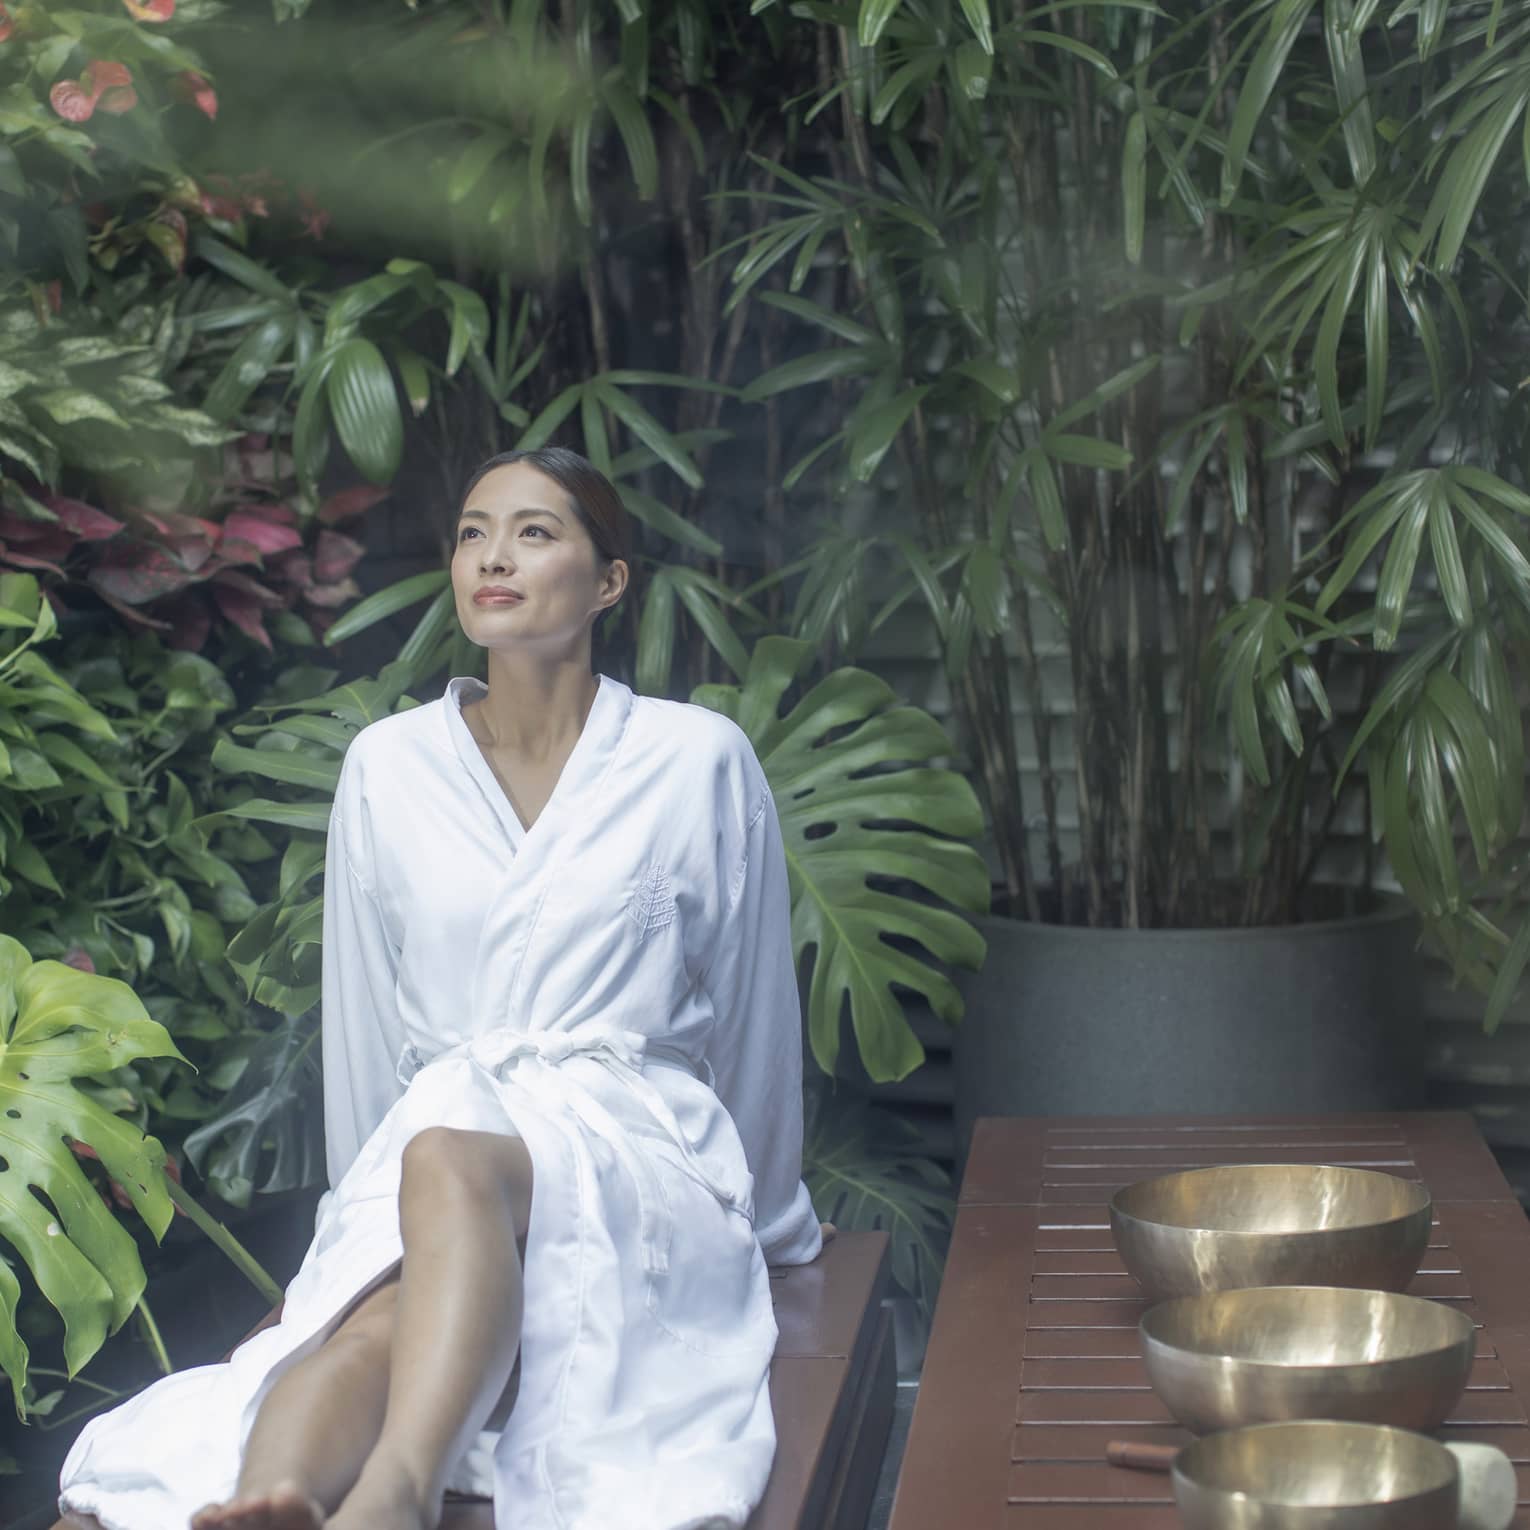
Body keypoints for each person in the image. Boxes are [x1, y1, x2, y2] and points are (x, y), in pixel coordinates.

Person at [55, 447, 823, 1530]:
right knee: (371, 1318)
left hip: (631, 1146)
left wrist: (772, 1225)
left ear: (609, 581)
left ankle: (398, 1496)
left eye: (535, 531)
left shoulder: (697, 760)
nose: (493, 556)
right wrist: (354, 1228)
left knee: (450, 1156)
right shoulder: (389, 765)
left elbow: (752, 1021)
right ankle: (263, 1501)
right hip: (434, 1139)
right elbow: (368, 1027)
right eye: (472, 532)